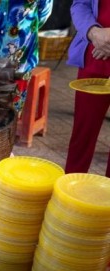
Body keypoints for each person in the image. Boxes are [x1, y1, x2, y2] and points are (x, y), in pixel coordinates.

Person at [65, 0, 110, 177]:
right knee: (83, 134)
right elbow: (80, 5)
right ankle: (70, 190)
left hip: (100, 50)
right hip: (95, 56)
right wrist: (94, 32)